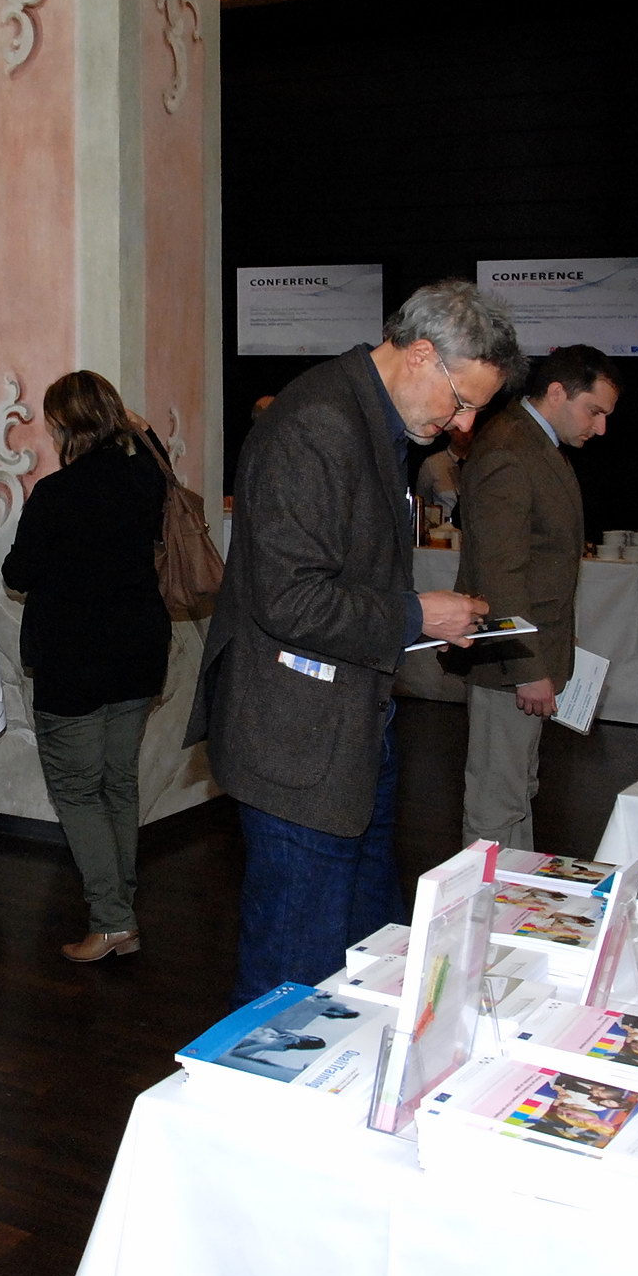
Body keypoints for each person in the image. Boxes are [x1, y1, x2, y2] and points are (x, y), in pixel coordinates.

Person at [188, 279, 521, 1006]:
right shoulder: (318, 422)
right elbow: (289, 599)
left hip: (352, 725)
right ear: (421, 354)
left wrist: (419, 619)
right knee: (293, 980)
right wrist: (416, 616)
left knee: (371, 959)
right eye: (461, 401)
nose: (465, 424)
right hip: (297, 738)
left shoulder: (371, 417)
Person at [1, 370, 170, 963]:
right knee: (118, 783)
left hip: (73, 659)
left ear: (62, 426)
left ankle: (112, 919)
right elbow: (156, 459)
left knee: (77, 792)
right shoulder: (146, 478)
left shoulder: (56, 493)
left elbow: (17, 573)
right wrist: (136, 428)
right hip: (139, 650)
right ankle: (120, 911)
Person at [453, 344, 620, 853]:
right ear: (557, 392)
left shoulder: (533, 443)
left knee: (517, 790)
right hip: (508, 663)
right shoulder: (509, 448)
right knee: (497, 799)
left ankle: (513, 891)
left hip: (526, 653)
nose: (600, 428)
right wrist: (527, 667)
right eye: (594, 411)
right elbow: (499, 572)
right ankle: (483, 899)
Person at [414, 422, 474, 520]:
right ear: (450, 431)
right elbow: (422, 502)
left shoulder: (477, 463)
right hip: (443, 525)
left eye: (470, 431)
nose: (464, 435)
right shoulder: (433, 463)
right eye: (458, 430)